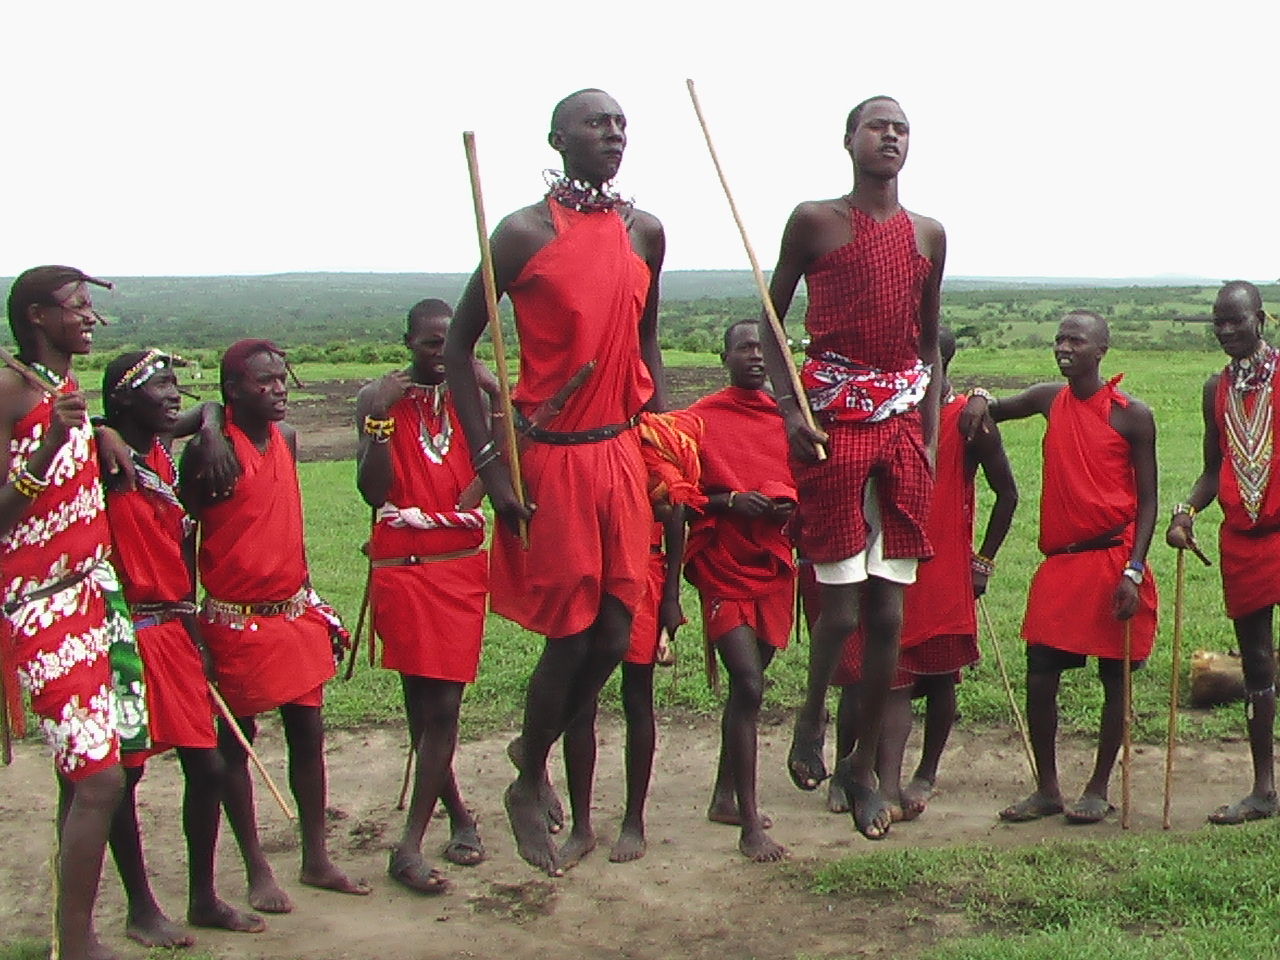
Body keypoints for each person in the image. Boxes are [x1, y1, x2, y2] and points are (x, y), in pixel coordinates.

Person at [444, 88, 665, 875]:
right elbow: (456, 354)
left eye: (620, 124)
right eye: (597, 124)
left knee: (615, 631)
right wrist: (490, 467)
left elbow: (648, 349)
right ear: (557, 137)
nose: (613, 134)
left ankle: (528, 751)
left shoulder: (645, 231)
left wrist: (663, 445)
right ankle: (530, 775)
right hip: (557, 459)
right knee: (572, 632)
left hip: (620, 454)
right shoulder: (520, 234)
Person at [760, 96, 946, 840]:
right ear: (849, 140)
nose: (891, 137)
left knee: (889, 613)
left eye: (902, 128)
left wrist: (928, 436)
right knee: (837, 608)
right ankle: (809, 722)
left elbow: (928, 345)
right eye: (878, 126)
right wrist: (789, 409)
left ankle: (860, 769)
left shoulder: (928, 235)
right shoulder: (815, 221)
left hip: (901, 425)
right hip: (833, 423)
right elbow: (771, 323)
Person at [180, 339, 369, 910]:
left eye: (282, 378)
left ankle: (316, 857)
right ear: (233, 389)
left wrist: (214, 417)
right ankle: (257, 868)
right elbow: (180, 545)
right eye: (263, 382)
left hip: (294, 614)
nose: (279, 389)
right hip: (234, 624)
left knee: (309, 735)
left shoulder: (286, 439)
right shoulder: (209, 453)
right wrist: (211, 423)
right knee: (237, 747)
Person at [960, 311, 1159, 825]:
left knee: (1114, 678)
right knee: (1041, 672)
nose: (1064, 347)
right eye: (1060, 339)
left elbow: (1150, 502)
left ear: (1102, 350)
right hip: (1062, 563)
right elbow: (994, 411)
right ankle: (1047, 788)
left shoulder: (1132, 415)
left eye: (1077, 340)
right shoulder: (1051, 399)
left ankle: (1097, 785)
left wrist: (1134, 570)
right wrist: (979, 394)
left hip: (1115, 558)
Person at [0, 266, 145, 960]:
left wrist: (101, 434)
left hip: (94, 593)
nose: (92, 318)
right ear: (36, 316)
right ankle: (78, 941)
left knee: (92, 767)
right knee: (99, 779)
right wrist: (55, 448)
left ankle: (73, 931)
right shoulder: (7, 390)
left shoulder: (58, 390)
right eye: (78, 308)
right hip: (42, 604)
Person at [100, 349, 266, 944]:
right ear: (120, 401)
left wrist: (214, 423)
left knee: (210, 763)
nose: (174, 393)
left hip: (173, 627)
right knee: (125, 776)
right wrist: (99, 432)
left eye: (175, 382)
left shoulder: (161, 460)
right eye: (159, 384)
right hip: (121, 634)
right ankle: (140, 907)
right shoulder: (103, 461)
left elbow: (209, 409)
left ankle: (202, 897)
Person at [824, 326, 1018, 820]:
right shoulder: (888, 415)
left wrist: (984, 561)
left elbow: (1008, 495)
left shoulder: (968, 421)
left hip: (944, 565)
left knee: (939, 675)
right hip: (884, 557)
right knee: (876, 673)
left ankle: (923, 772)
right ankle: (868, 777)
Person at [355, 300, 494, 893]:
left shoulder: (474, 398)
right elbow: (372, 489)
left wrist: (495, 393)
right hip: (404, 573)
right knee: (427, 710)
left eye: (449, 343)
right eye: (429, 343)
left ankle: (415, 840)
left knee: (443, 709)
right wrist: (382, 417)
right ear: (408, 341)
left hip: (459, 571)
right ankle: (441, 825)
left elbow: (509, 456)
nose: (439, 353)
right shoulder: (376, 399)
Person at [1167, 281, 1280, 824]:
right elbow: (1214, 471)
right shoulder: (1216, 389)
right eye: (1218, 322)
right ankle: (1263, 789)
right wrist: (1186, 511)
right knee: (1257, 663)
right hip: (1242, 545)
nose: (1226, 331)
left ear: (1261, 319)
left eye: (1235, 321)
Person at [684, 319, 797, 860]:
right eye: (745, 348)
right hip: (723, 562)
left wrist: (784, 504)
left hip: (774, 561)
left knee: (752, 683)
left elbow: (810, 481)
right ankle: (751, 824)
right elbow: (677, 492)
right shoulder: (700, 419)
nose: (755, 356)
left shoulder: (788, 417)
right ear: (724, 356)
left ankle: (723, 797)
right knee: (748, 684)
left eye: (763, 348)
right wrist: (729, 502)